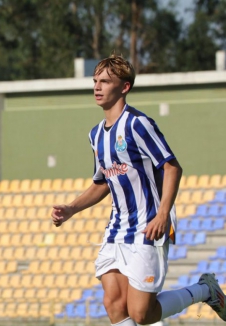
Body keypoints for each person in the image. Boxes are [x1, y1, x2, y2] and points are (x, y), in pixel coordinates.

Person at [51, 54, 226, 326]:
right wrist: (71, 208)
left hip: (148, 225)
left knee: (141, 315)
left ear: (124, 87)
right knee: (113, 304)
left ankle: (206, 291)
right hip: (117, 228)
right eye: (95, 80)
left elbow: (172, 167)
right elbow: (102, 182)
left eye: (105, 81)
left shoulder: (138, 124)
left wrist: (163, 214)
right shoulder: (95, 134)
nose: (97, 86)